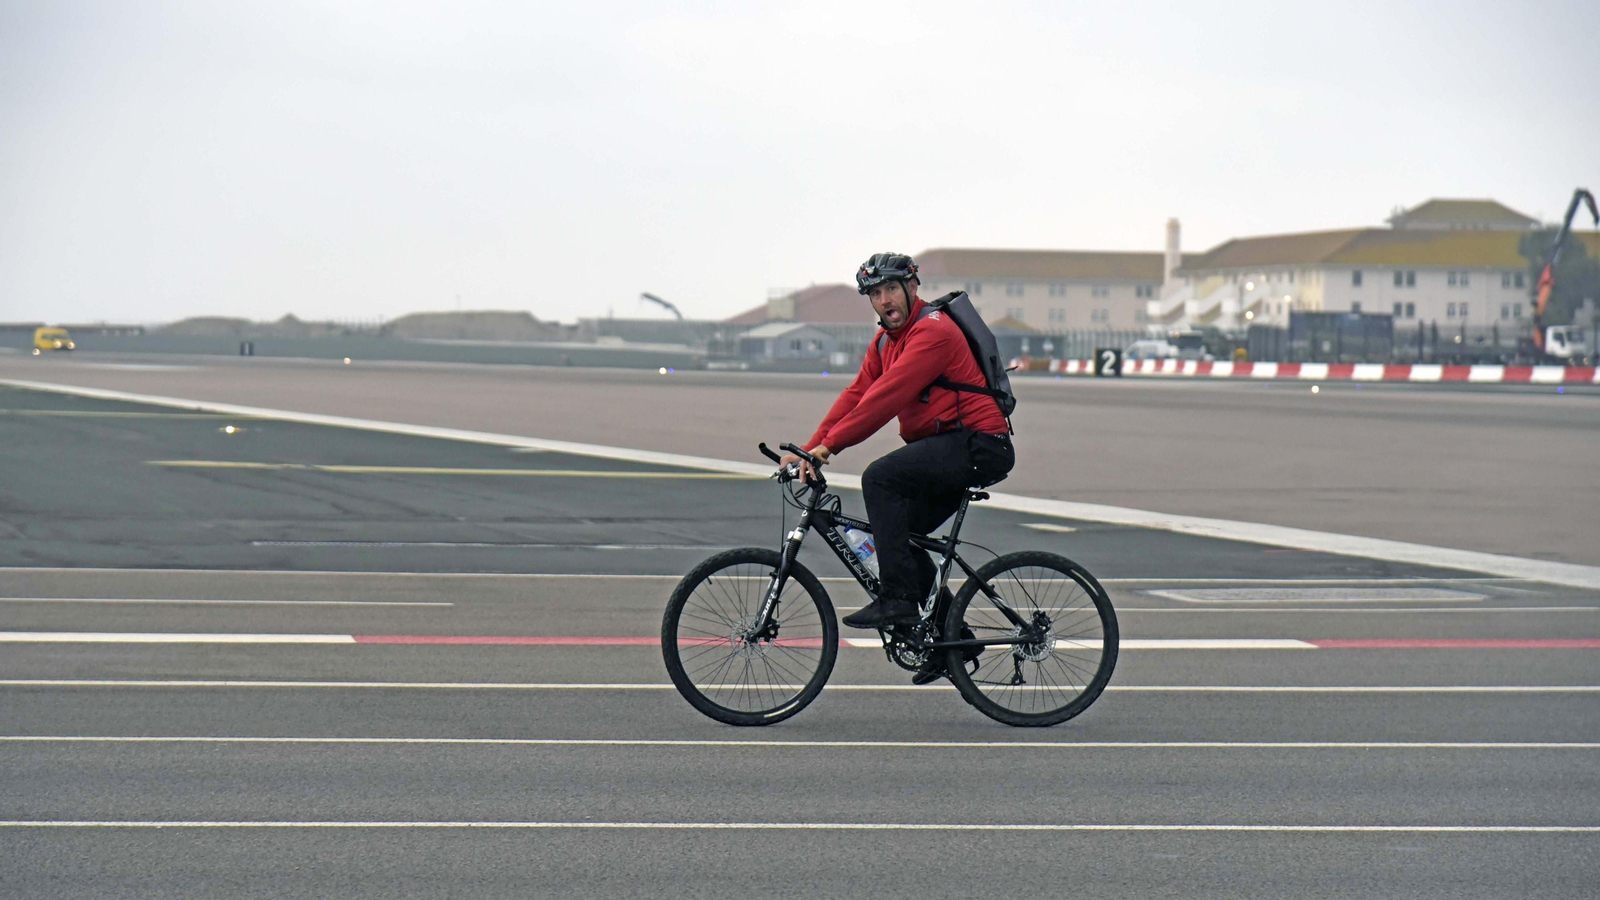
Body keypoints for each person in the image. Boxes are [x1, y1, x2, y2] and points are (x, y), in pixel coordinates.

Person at [780, 252, 1015, 645]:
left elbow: (885, 399)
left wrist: (830, 447)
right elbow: (857, 394)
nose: (885, 300)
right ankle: (947, 640)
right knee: (899, 537)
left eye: (892, 288)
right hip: (949, 446)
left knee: (880, 477)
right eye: (875, 293)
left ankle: (898, 600)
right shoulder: (885, 341)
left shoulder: (932, 333)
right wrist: (810, 448)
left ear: (912, 288)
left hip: (979, 444)